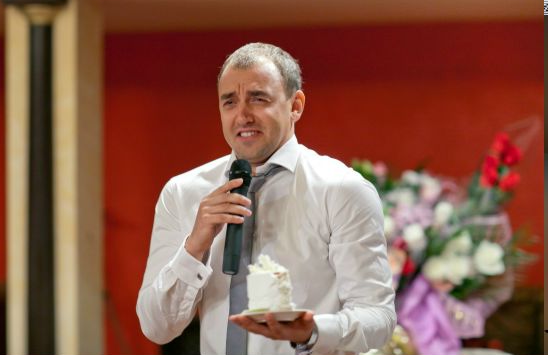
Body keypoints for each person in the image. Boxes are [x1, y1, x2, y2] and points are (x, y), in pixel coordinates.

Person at [136, 42, 396, 355]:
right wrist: (194, 247)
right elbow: (156, 327)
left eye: (258, 99)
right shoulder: (183, 192)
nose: (242, 115)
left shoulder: (342, 190)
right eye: (229, 102)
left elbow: (378, 318)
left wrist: (312, 331)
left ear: (295, 105)